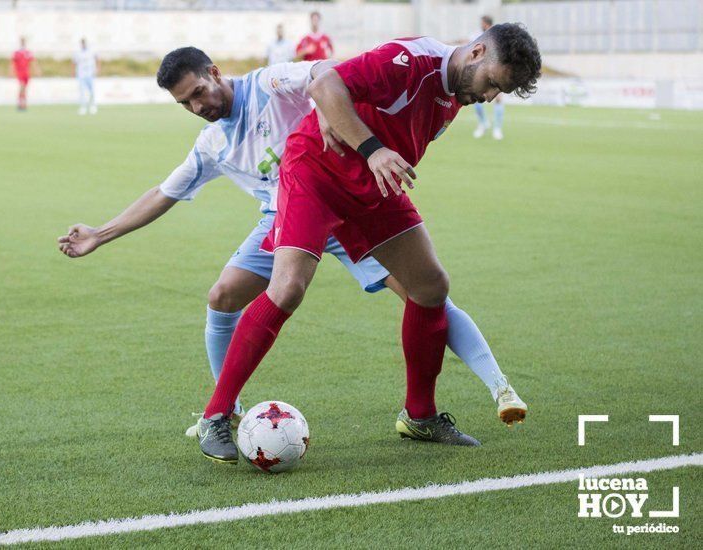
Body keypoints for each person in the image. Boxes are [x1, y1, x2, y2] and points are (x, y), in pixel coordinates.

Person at [57, 47, 524, 445]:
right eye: (185, 103)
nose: (197, 106)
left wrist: (323, 108)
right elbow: (163, 194)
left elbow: (326, 74)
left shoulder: (271, 82)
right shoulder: (211, 144)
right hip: (284, 218)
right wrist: (101, 233)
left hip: (343, 204)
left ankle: (497, 387)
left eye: (198, 92)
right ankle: (226, 409)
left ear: (215, 73)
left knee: (424, 292)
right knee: (223, 296)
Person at [195, 24, 542, 464]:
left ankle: (420, 416)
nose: (490, 96)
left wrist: (368, 147)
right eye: (492, 83)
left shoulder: (454, 92)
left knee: (431, 286)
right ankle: (216, 415)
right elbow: (325, 82)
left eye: (500, 92)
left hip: (373, 186)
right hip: (315, 174)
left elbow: (356, 107)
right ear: (475, 52)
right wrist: (372, 146)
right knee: (287, 289)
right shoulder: (409, 60)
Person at [472, 16, 506, 140]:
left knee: (498, 99)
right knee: (475, 98)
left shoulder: (497, 36)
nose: (480, 25)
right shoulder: (479, 36)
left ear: (486, 24)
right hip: (482, 72)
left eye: (482, 23)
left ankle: (497, 129)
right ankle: (483, 123)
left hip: (496, 72)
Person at [74, 38, 100, 115]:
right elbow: (74, 62)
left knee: (92, 90)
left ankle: (93, 105)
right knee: (82, 91)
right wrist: (73, 72)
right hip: (81, 74)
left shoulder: (92, 51)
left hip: (90, 74)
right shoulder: (77, 53)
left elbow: (97, 59)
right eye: (82, 43)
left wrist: (98, 69)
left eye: (84, 43)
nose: (83, 45)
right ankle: (83, 107)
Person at [11, 37, 37, 111]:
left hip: (26, 73)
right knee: (21, 88)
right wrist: (12, 72)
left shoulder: (28, 52)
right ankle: (20, 104)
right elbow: (13, 63)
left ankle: (23, 104)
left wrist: (36, 71)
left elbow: (33, 62)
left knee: (24, 89)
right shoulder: (17, 53)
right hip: (20, 73)